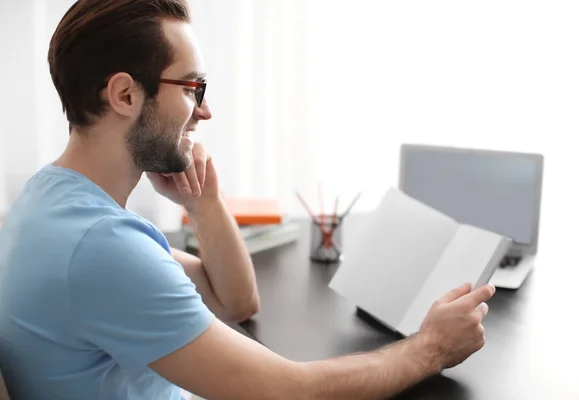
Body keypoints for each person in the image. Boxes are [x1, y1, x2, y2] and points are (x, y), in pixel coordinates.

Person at [0, 1, 496, 399]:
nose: (206, 110)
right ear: (125, 95)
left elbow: (235, 301)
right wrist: (429, 348)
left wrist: (204, 204)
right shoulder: (100, 248)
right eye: (194, 87)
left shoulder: (53, 199)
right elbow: (284, 390)